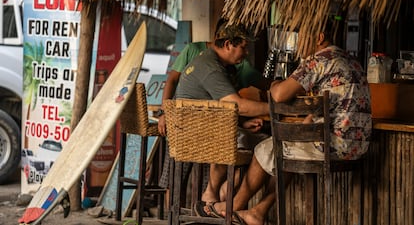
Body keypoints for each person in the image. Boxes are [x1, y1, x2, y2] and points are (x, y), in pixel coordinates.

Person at [206, 17, 372, 225]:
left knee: (264, 149)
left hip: (332, 145)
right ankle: (258, 211)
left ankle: (233, 207)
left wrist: (276, 85)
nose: (298, 43)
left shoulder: (319, 60)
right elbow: (334, 108)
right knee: (286, 150)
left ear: (319, 37)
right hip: (358, 147)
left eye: (302, 37)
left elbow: (279, 95)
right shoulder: (351, 61)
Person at [157, 19, 272, 198]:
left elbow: (219, 108)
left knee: (251, 142)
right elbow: (238, 105)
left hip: (196, 131)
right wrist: (275, 108)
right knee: (265, 146)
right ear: (228, 44)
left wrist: (242, 123)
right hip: (195, 136)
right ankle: (213, 198)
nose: (247, 52)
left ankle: (214, 199)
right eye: (243, 47)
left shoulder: (213, 62)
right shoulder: (211, 68)